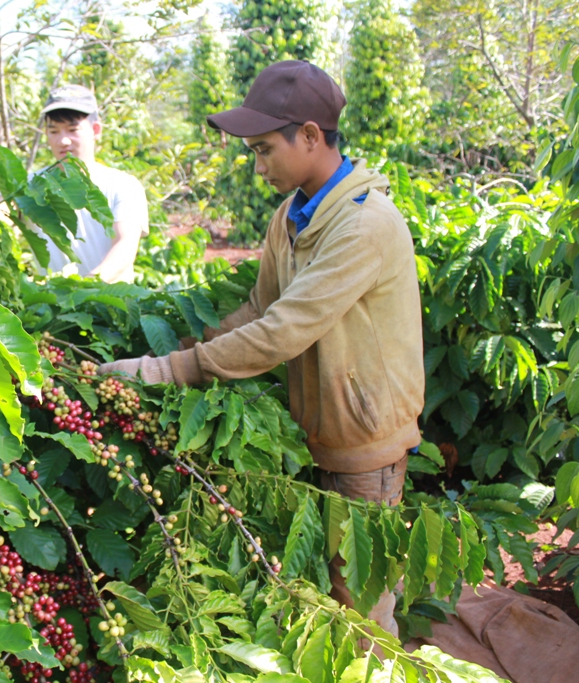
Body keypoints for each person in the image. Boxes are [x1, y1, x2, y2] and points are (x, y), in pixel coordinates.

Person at [97, 60, 425, 637]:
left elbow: (282, 332)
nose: (258, 165)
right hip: (317, 432)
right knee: (327, 587)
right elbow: (259, 308)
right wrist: (194, 343)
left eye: (265, 149)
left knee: (362, 603)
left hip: (365, 442)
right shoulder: (291, 216)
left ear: (310, 136)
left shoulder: (363, 227)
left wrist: (162, 370)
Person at [31, 85, 149, 283]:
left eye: (72, 130)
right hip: (49, 306)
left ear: (95, 130)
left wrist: (85, 288)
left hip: (109, 305)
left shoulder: (123, 185)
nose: (63, 140)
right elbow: (0, 210)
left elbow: (125, 244)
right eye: (54, 131)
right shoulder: (31, 185)